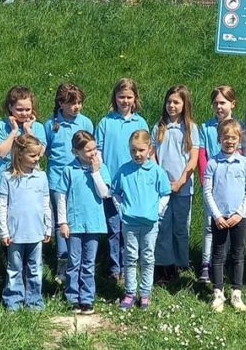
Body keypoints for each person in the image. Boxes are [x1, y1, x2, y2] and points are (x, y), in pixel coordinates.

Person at [96, 78, 149, 283]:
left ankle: (130, 268)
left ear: (135, 99)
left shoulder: (140, 122)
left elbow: (146, 153)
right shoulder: (105, 122)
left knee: (131, 229)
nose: (125, 101)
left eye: (129, 97)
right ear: (115, 98)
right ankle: (114, 268)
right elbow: (98, 152)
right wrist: (104, 178)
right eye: (121, 97)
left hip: (134, 184)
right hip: (111, 185)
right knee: (114, 228)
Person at [112, 130, 171, 310]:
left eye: (141, 150)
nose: (137, 154)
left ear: (149, 149)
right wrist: (122, 211)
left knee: (147, 257)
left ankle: (145, 293)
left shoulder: (157, 171)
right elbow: (115, 193)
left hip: (150, 224)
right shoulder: (123, 170)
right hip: (129, 223)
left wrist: (157, 211)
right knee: (130, 258)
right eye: (133, 150)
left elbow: (165, 194)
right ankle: (130, 292)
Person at [54, 130, 111, 315]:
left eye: (94, 149)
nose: (93, 153)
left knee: (88, 262)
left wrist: (95, 173)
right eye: (88, 151)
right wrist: (62, 222)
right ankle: (72, 297)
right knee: (74, 262)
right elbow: (61, 196)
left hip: (94, 223)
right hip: (74, 223)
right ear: (76, 152)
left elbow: (104, 193)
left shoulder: (102, 168)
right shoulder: (69, 170)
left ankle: (87, 298)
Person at [44, 82, 94, 285]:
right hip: (57, 180)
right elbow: (46, 149)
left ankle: (82, 260)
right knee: (61, 220)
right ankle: (63, 261)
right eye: (72, 103)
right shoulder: (51, 124)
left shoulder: (86, 123)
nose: (77, 107)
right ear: (60, 103)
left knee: (78, 216)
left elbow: (90, 149)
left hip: (81, 179)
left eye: (80, 103)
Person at [203, 119, 246, 313]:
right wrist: (217, 215)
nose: (230, 141)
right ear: (219, 139)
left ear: (239, 139)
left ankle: (236, 292)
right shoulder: (212, 163)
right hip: (219, 218)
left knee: (238, 254)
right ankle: (218, 292)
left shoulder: (245, 163)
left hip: (238, 217)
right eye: (226, 137)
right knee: (217, 254)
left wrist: (240, 213)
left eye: (233, 138)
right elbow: (207, 191)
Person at [0, 134, 51, 311]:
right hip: (15, 232)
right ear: (20, 154)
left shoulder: (41, 176)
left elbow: (45, 203)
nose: (37, 159)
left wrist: (48, 226)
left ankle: (34, 301)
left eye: (38, 156)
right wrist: (3, 231)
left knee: (35, 268)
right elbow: (3, 205)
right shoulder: (7, 177)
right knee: (14, 268)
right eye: (33, 156)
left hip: (36, 231)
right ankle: (13, 300)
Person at [152, 84, 200, 284]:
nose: (171, 105)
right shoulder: (159, 127)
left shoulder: (190, 128)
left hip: (183, 187)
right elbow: (152, 154)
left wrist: (180, 182)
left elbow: (193, 159)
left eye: (176, 102)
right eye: (169, 101)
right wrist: (163, 180)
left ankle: (180, 264)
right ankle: (163, 265)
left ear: (184, 104)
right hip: (162, 187)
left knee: (180, 227)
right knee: (163, 226)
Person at [197, 85, 238, 282]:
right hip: (211, 183)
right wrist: (206, 180)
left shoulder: (239, 127)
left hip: (232, 185)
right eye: (216, 103)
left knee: (228, 224)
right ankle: (206, 263)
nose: (219, 106)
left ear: (233, 104)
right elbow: (202, 155)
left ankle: (221, 263)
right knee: (208, 224)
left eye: (223, 102)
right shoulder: (205, 127)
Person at [0, 85, 46, 174]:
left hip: (31, 174)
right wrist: (14, 131)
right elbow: (0, 154)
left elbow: (41, 153)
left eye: (28, 110)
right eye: (19, 110)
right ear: (10, 107)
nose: (24, 113)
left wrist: (28, 130)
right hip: (6, 173)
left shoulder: (38, 127)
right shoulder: (0, 126)